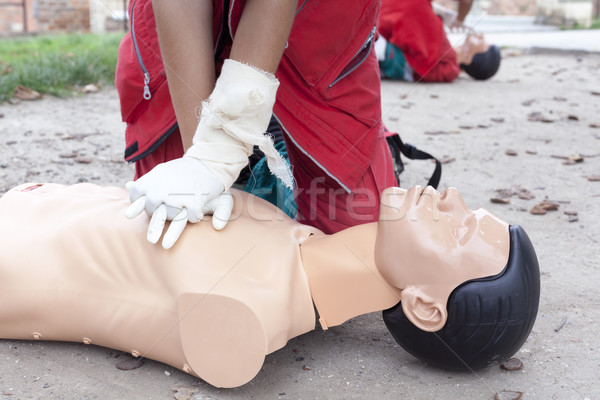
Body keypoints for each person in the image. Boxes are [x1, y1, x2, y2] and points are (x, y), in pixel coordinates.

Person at [0, 182, 540, 388]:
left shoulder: (245, 322)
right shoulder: (288, 236)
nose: (450, 200)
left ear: (424, 307)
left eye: (457, 228)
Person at [116, 0, 398, 250]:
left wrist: (218, 152)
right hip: (194, 47)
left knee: (364, 244)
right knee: (173, 236)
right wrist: (203, 158)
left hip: (318, 45)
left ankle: (267, 141)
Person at [376, 0, 501, 82]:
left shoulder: (449, 64)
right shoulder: (445, 52)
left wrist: (451, 19)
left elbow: (414, 12)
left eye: (483, 42)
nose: (481, 35)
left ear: (468, 58)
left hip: (387, 53)